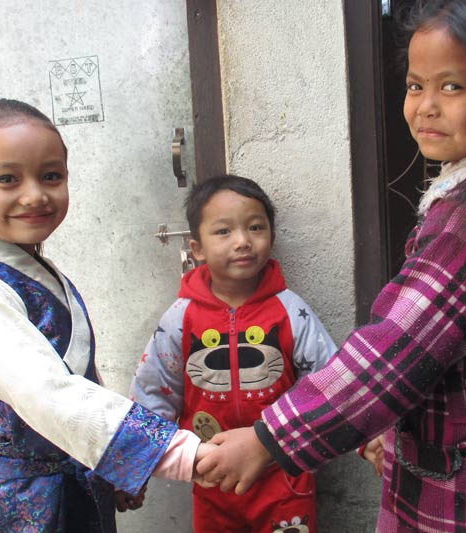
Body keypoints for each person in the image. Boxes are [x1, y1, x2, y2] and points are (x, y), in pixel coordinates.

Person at [197, 1, 466, 531]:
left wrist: (270, 440)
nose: (425, 106)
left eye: (452, 87)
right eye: (414, 85)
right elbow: (449, 349)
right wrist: (393, 424)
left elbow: (396, 349)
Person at [0, 98, 213, 532]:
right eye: (7, 179)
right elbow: (52, 395)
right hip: (19, 507)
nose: (34, 194)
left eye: (51, 176)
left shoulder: (32, 270)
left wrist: (117, 466)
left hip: (73, 485)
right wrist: (180, 453)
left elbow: (80, 377)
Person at [130, 175, 337, 532]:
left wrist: (368, 441)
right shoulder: (181, 318)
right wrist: (134, 467)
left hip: (283, 474)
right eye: (223, 232)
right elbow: (154, 392)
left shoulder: (290, 311)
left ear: (271, 236)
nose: (243, 242)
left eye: (255, 227)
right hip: (211, 477)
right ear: (197, 248)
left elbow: (331, 381)